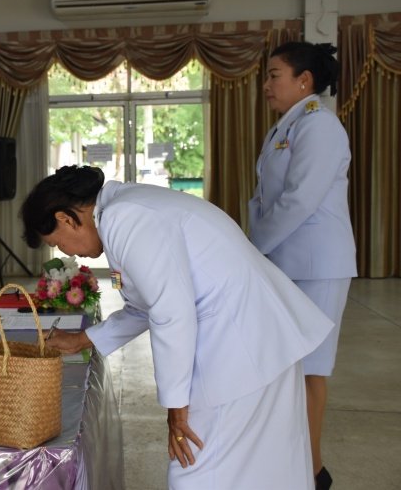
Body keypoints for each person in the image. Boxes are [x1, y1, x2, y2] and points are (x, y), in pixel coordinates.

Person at [21, 165, 334, 490]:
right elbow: (144, 305)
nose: (67, 252)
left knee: (198, 468)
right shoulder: (121, 213)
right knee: (266, 467)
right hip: (257, 339)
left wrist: (177, 407)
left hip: (242, 346)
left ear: (66, 219)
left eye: (58, 243)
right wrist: (81, 340)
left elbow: (171, 312)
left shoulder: (124, 218)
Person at [249, 41, 357, 489]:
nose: (267, 84)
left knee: (311, 368)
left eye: (275, 74)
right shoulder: (288, 126)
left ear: (304, 81)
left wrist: (252, 247)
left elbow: (298, 201)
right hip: (290, 262)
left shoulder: (320, 126)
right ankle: (296, 461)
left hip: (316, 264)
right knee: (290, 367)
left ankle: (314, 472)